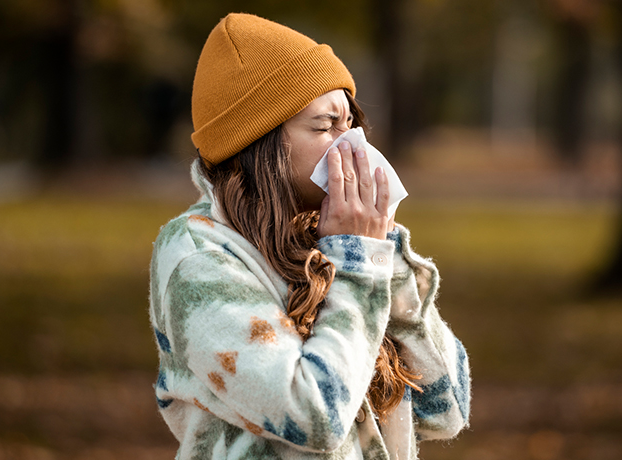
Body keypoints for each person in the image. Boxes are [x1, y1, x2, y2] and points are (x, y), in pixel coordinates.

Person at [149, 13, 470, 460]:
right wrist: (359, 263)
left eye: (351, 124)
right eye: (325, 127)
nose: (352, 145)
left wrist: (384, 257)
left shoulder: (335, 240)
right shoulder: (197, 254)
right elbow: (313, 414)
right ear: (258, 142)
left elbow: (444, 410)